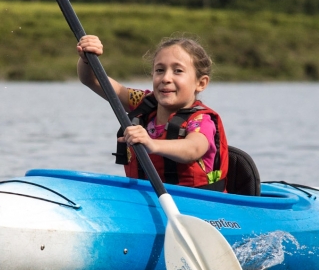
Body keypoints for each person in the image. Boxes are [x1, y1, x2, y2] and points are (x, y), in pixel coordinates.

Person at [77, 35, 229, 191]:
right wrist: (87, 58)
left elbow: (194, 148)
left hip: (196, 204)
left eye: (178, 71)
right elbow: (93, 80)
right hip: (145, 198)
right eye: (160, 70)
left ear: (201, 83)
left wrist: (152, 144)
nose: (166, 78)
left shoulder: (201, 120)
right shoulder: (143, 102)